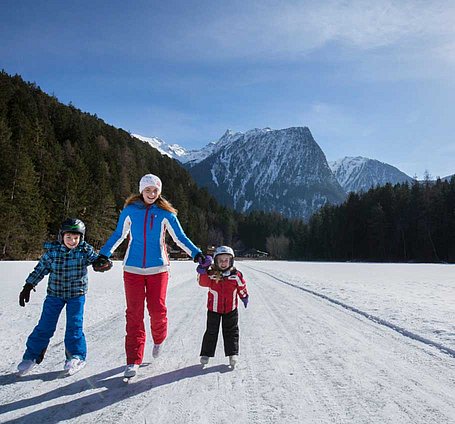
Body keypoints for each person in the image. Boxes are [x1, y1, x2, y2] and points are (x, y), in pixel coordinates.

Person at [93, 173, 205, 378]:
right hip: (132, 269)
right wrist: (103, 254)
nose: (151, 194)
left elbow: (180, 237)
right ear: (141, 190)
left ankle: (159, 338)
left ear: (159, 192)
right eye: (148, 190)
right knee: (134, 314)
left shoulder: (166, 214)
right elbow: (119, 235)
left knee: (157, 310)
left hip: (158, 269)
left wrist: (196, 253)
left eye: (155, 190)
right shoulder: (129, 211)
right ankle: (133, 360)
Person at [17, 218, 109, 376]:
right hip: (55, 295)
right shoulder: (53, 252)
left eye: (76, 238)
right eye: (69, 237)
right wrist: (29, 285)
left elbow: (97, 261)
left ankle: (76, 356)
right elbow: (40, 269)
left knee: (74, 326)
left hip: (76, 295)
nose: (73, 241)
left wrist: (103, 264)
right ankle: (31, 356)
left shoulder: (84, 250)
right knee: (45, 326)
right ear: (61, 236)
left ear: (81, 238)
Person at [197, 245, 249, 368]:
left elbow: (242, 286)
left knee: (231, 332)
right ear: (216, 261)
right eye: (220, 260)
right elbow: (202, 283)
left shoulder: (236, 275)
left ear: (231, 261)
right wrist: (203, 270)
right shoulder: (212, 274)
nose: (223, 263)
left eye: (226, 260)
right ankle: (206, 354)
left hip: (231, 309)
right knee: (211, 331)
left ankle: (232, 354)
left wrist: (244, 296)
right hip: (213, 309)